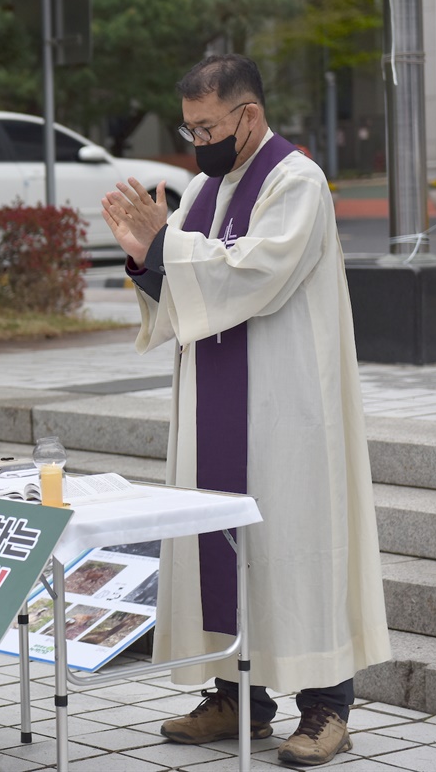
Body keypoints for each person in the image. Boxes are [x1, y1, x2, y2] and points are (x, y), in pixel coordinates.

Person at [100, 55, 389, 767]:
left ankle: (326, 709)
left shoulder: (297, 180)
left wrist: (168, 245)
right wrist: (146, 260)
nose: (196, 140)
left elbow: (256, 272)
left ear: (248, 116)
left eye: (206, 125)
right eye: (188, 126)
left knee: (296, 547)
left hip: (288, 409)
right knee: (223, 544)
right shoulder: (202, 188)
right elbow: (184, 287)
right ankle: (238, 699)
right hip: (216, 406)